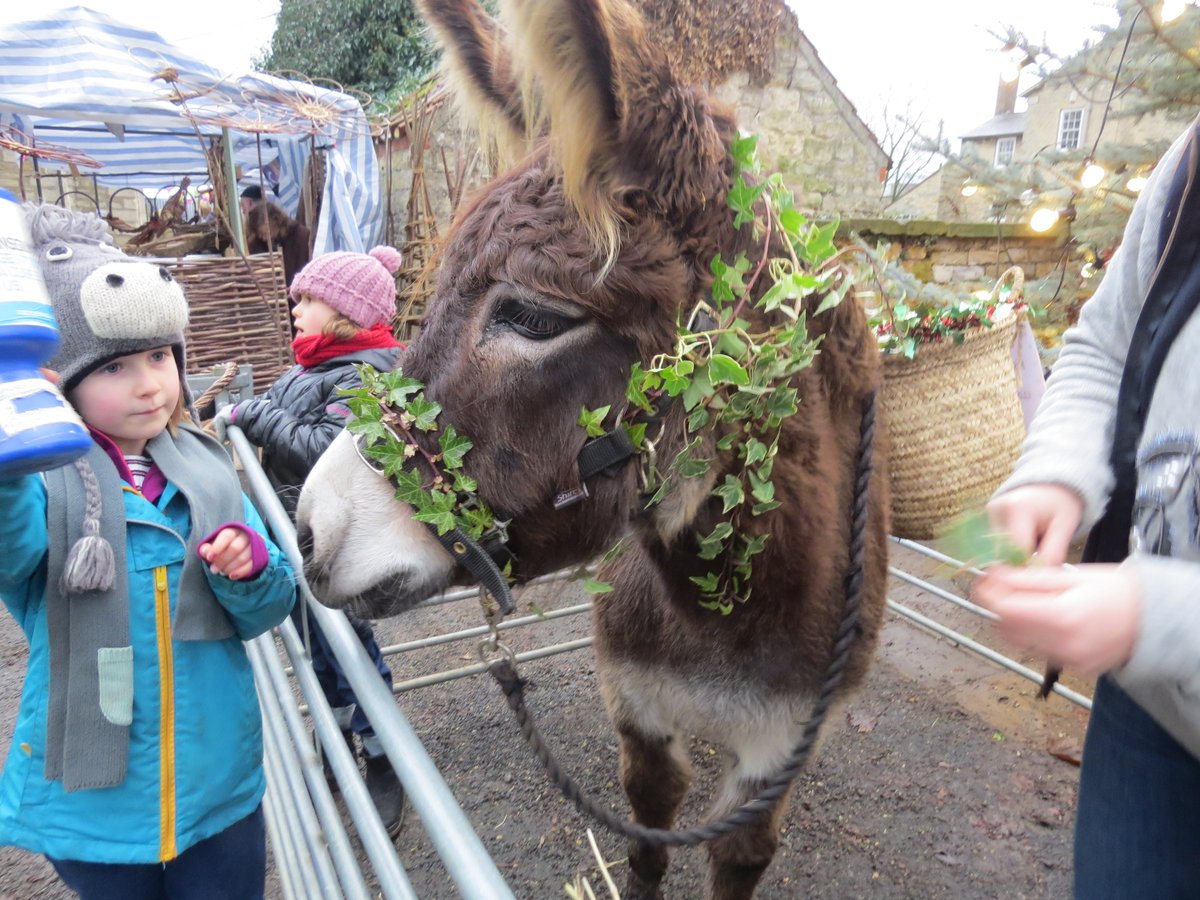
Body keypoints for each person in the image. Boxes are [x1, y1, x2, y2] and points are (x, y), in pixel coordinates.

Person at [0, 204, 296, 899]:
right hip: (95, 802)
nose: (149, 384)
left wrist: (251, 569)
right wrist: (11, 461)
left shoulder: (210, 472)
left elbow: (269, 607)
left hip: (215, 783)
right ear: (61, 381)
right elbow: (13, 558)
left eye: (160, 356)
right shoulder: (39, 485)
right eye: (116, 366)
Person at [973, 117, 1200, 898]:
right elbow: (1107, 346)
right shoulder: (1190, 163)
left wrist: (1153, 616)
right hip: (1155, 704)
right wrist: (1055, 474)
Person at [217, 246, 406, 834]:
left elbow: (322, 448)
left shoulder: (365, 373)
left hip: (333, 541)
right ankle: (337, 738)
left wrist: (254, 416)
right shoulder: (310, 367)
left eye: (307, 299)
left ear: (346, 311)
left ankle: (384, 755)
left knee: (350, 649)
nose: (294, 308)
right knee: (315, 650)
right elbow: (281, 414)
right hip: (293, 534)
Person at [246, 200, 311, 291]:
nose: (262, 237)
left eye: (263, 233)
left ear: (276, 220)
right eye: (259, 234)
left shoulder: (301, 236)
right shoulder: (256, 243)